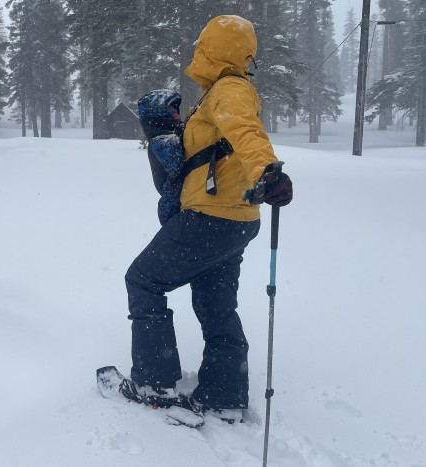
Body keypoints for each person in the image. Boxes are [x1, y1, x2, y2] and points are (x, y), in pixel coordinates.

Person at [120, 15, 293, 425]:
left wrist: (268, 170)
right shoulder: (221, 94)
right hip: (237, 220)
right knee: (216, 305)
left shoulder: (229, 89)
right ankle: (224, 395)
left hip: (208, 219)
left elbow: (247, 132)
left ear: (212, 49)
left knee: (143, 281)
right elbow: (221, 146)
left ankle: (154, 384)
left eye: (202, 44)